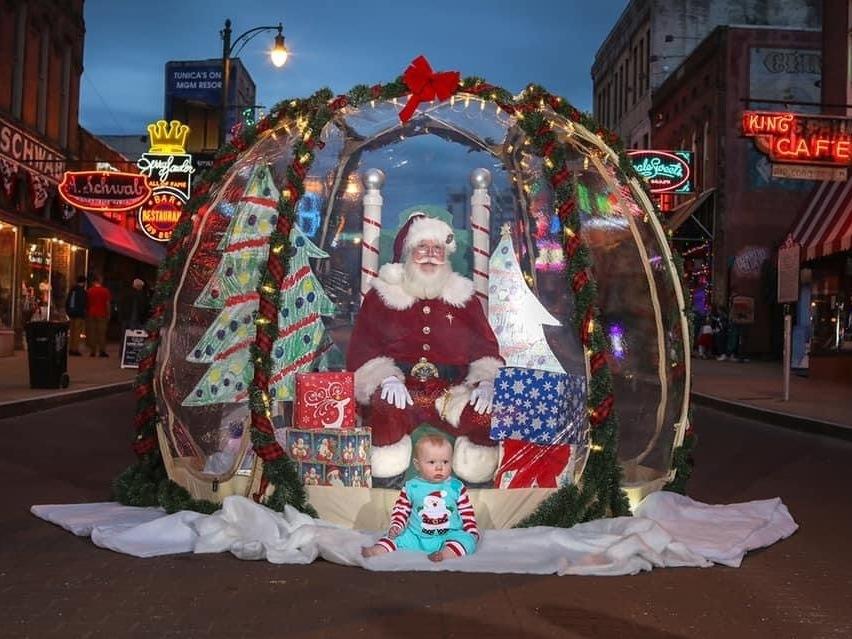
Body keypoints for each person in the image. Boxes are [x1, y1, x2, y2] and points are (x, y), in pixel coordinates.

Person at [347, 212, 504, 487]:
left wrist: (487, 380)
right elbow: (363, 347)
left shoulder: (464, 298)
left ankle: (474, 490)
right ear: (408, 252)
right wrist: (385, 377)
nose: (430, 255)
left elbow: (485, 348)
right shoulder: (382, 296)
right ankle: (388, 488)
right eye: (422, 248)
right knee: (386, 407)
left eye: (438, 249)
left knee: (484, 414)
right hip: (403, 389)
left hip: (450, 393)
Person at [361, 434, 480, 562]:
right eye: (432, 462)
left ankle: (445, 554)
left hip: (449, 535)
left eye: (445, 462)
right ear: (417, 465)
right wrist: (397, 525)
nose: (439, 467)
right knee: (395, 538)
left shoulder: (456, 486)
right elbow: (401, 510)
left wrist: (471, 531)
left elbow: (466, 511)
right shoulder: (412, 487)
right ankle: (377, 550)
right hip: (417, 536)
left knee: (467, 540)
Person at [85, 274, 111, 357]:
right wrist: (108, 313)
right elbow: (107, 303)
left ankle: (93, 351)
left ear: (93, 282)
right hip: (102, 313)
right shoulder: (105, 291)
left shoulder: (89, 291)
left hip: (91, 313)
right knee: (101, 333)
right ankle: (102, 350)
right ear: (100, 281)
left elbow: (87, 303)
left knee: (92, 333)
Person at [65, 275, 88, 356]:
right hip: (79, 314)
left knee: (72, 332)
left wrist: (68, 311)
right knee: (77, 332)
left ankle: (71, 348)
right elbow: (83, 303)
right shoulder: (82, 291)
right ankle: (74, 349)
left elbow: (67, 301)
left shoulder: (72, 290)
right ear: (84, 282)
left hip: (71, 313)